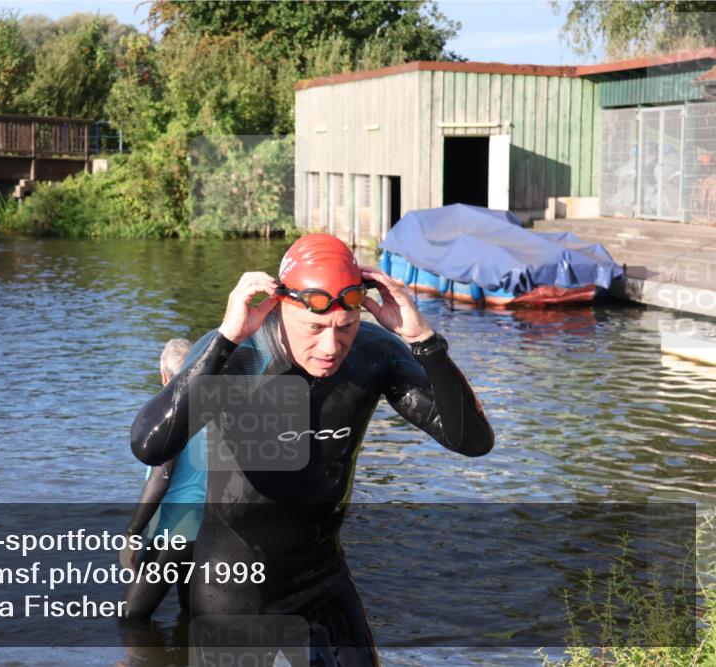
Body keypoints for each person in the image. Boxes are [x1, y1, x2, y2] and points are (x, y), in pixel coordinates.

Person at [130, 234, 494, 665]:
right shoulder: (239, 356)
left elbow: (472, 441)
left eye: (345, 327)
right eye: (315, 328)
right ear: (281, 305)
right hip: (235, 583)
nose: (330, 347)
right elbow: (150, 445)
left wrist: (424, 341)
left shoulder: (374, 355)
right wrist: (225, 338)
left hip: (324, 577)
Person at [120, 338, 206, 619]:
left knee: (131, 617)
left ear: (164, 376)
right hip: (208, 532)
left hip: (174, 534)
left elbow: (160, 478)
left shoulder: (171, 419)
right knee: (189, 614)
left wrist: (132, 534)